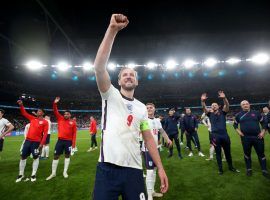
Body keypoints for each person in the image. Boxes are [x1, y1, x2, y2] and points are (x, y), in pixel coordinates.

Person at [92, 14, 168, 199]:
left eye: (132, 75)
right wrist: (112, 30)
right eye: (124, 74)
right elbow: (99, 68)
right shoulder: (110, 95)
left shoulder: (142, 108)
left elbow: (149, 139)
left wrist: (160, 167)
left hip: (134, 170)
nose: (128, 76)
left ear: (137, 82)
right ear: (118, 81)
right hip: (107, 168)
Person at [201, 91, 239, 175]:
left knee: (228, 152)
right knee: (218, 153)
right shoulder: (210, 114)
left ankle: (231, 167)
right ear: (211, 107)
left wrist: (224, 98)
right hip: (215, 136)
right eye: (212, 105)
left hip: (224, 135)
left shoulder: (223, 112)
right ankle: (220, 169)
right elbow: (204, 108)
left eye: (215, 105)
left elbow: (227, 105)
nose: (214, 106)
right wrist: (203, 101)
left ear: (218, 106)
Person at [142, 103, 172, 200]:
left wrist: (167, 139)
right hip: (147, 149)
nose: (149, 109)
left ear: (154, 109)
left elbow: (162, 131)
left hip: (157, 148)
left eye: (151, 107)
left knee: (155, 170)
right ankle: (149, 196)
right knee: (150, 171)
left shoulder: (157, 120)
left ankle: (153, 191)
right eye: (147, 108)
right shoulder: (143, 120)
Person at [234, 100, 269, 178]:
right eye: (243, 104)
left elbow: (264, 123)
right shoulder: (238, 115)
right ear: (241, 106)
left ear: (249, 105)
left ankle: (264, 170)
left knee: (261, 154)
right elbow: (235, 125)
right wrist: (239, 132)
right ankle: (249, 169)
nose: (245, 105)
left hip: (258, 137)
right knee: (247, 154)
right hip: (245, 138)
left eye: (247, 104)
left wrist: (263, 132)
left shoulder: (256, 113)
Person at [16, 100, 48, 182]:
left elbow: (45, 134)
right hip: (28, 141)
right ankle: (21, 174)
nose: (38, 112)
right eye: (37, 111)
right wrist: (21, 105)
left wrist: (41, 144)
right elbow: (24, 113)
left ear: (43, 113)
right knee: (23, 157)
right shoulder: (32, 118)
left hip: (36, 142)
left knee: (35, 157)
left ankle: (33, 174)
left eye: (40, 111)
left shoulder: (45, 122)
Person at [46, 97, 77, 180]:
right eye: (65, 114)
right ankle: (53, 173)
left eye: (67, 114)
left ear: (70, 115)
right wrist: (55, 103)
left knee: (67, 156)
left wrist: (73, 144)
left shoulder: (73, 123)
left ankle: (65, 172)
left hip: (69, 142)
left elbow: (74, 134)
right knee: (56, 156)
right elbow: (55, 111)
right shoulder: (60, 118)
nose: (66, 115)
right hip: (60, 141)